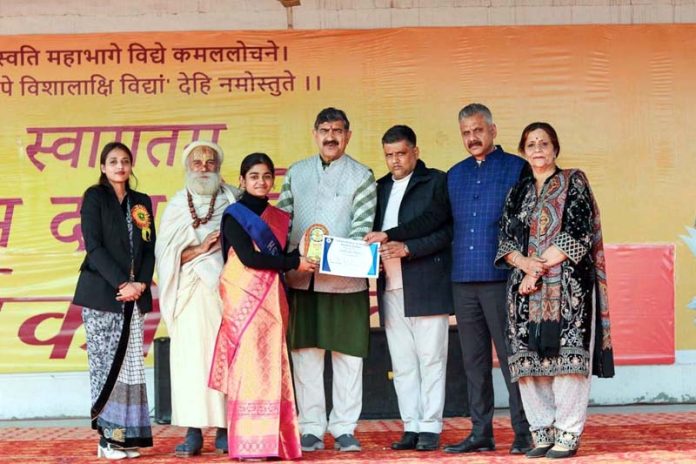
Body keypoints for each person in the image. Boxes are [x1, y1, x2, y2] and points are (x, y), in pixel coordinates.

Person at [495, 122, 614, 459]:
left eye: (543, 143)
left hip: (568, 291)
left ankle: (568, 433)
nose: (537, 149)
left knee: (567, 363)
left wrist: (539, 269)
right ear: (522, 151)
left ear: (555, 148)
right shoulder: (517, 191)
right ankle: (542, 432)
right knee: (530, 363)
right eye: (530, 144)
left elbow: (577, 233)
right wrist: (526, 267)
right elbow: (504, 239)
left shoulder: (574, 181)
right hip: (523, 291)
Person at [276, 107, 377, 453]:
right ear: (314, 133)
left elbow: (362, 228)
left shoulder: (362, 176)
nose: (330, 136)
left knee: (349, 357)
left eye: (337, 130)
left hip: (345, 282)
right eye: (324, 129)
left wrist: (332, 259)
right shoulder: (296, 173)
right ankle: (311, 427)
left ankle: (345, 427)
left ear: (348, 135)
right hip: (302, 280)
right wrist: (295, 263)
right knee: (306, 355)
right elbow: (284, 224)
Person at [209, 152, 315, 460]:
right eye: (254, 176)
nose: (261, 181)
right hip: (244, 299)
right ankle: (247, 444)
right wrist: (293, 262)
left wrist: (299, 259)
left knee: (273, 365)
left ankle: (275, 443)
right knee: (248, 367)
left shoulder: (279, 218)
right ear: (242, 180)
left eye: (267, 176)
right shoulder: (233, 215)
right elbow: (250, 258)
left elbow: (276, 258)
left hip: (273, 299)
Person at [442, 103, 532, 454]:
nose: (472, 138)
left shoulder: (516, 168)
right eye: (466, 132)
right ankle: (481, 432)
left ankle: (523, 432)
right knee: (473, 362)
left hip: (502, 279)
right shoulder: (454, 174)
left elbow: (529, 224)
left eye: (478, 130)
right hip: (463, 279)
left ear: (493, 130)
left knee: (513, 359)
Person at [364, 125, 452, 452]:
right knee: (401, 364)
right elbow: (370, 232)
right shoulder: (380, 187)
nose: (395, 160)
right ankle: (411, 426)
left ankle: (430, 426)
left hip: (426, 283)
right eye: (389, 155)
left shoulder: (435, 182)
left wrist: (405, 246)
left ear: (415, 151)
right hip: (390, 287)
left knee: (431, 359)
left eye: (401, 153)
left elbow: (440, 229)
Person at [155, 141, 241, 456]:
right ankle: (193, 431)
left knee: (224, 359)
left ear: (218, 166)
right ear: (187, 167)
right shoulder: (177, 206)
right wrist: (200, 249)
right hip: (190, 292)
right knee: (191, 362)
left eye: (209, 162)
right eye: (197, 162)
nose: (203, 167)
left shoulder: (233, 199)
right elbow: (164, 257)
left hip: (225, 291)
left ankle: (224, 429)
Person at [72, 141, 155, 460]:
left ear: (131, 166)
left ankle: (125, 438)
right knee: (107, 369)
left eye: (125, 161)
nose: (120, 166)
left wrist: (141, 284)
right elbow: (93, 247)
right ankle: (108, 439)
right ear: (103, 168)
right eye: (113, 161)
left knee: (130, 369)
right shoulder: (95, 198)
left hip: (134, 298)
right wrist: (123, 283)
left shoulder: (141, 202)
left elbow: (149, 248)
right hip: (104, 296)